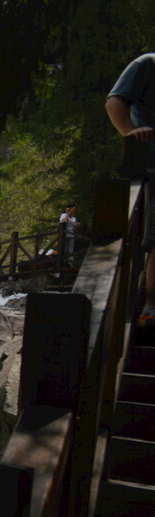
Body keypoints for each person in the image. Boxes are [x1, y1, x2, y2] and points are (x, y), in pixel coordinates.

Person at [107, 54, 155, 326]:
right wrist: (130, 131)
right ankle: (150, 306)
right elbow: (115, 102)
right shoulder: (147, 64)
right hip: (150, 165)